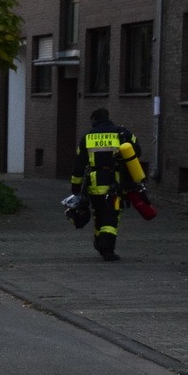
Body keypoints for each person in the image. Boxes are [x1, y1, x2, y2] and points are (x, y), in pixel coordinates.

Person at [71, 108, 141, 262]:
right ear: (108, 118)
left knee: (99, 214)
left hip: (95, 184)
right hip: (115, 183)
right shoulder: (122, 133)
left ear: (94, 119)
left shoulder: (87, 137)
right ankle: (107, 249)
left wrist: (75, 187)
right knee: (112, 217)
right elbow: (137, 151)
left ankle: (99, 241)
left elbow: (79, 165)